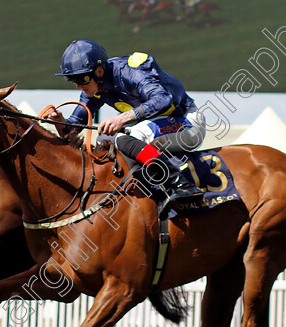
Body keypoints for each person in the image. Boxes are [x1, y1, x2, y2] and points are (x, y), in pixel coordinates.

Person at [43, 39, 206, 205]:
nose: (78, 86)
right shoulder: (93, 87)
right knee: (103, 140)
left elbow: (163, 99)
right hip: (158, 124)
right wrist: (60, 122)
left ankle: (182, 185)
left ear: (99, 71)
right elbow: (71, 131)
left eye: (81, 79)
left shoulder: (130, 72)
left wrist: (122, 118)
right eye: (72, 80)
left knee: (132, 135)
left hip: (187, 121)